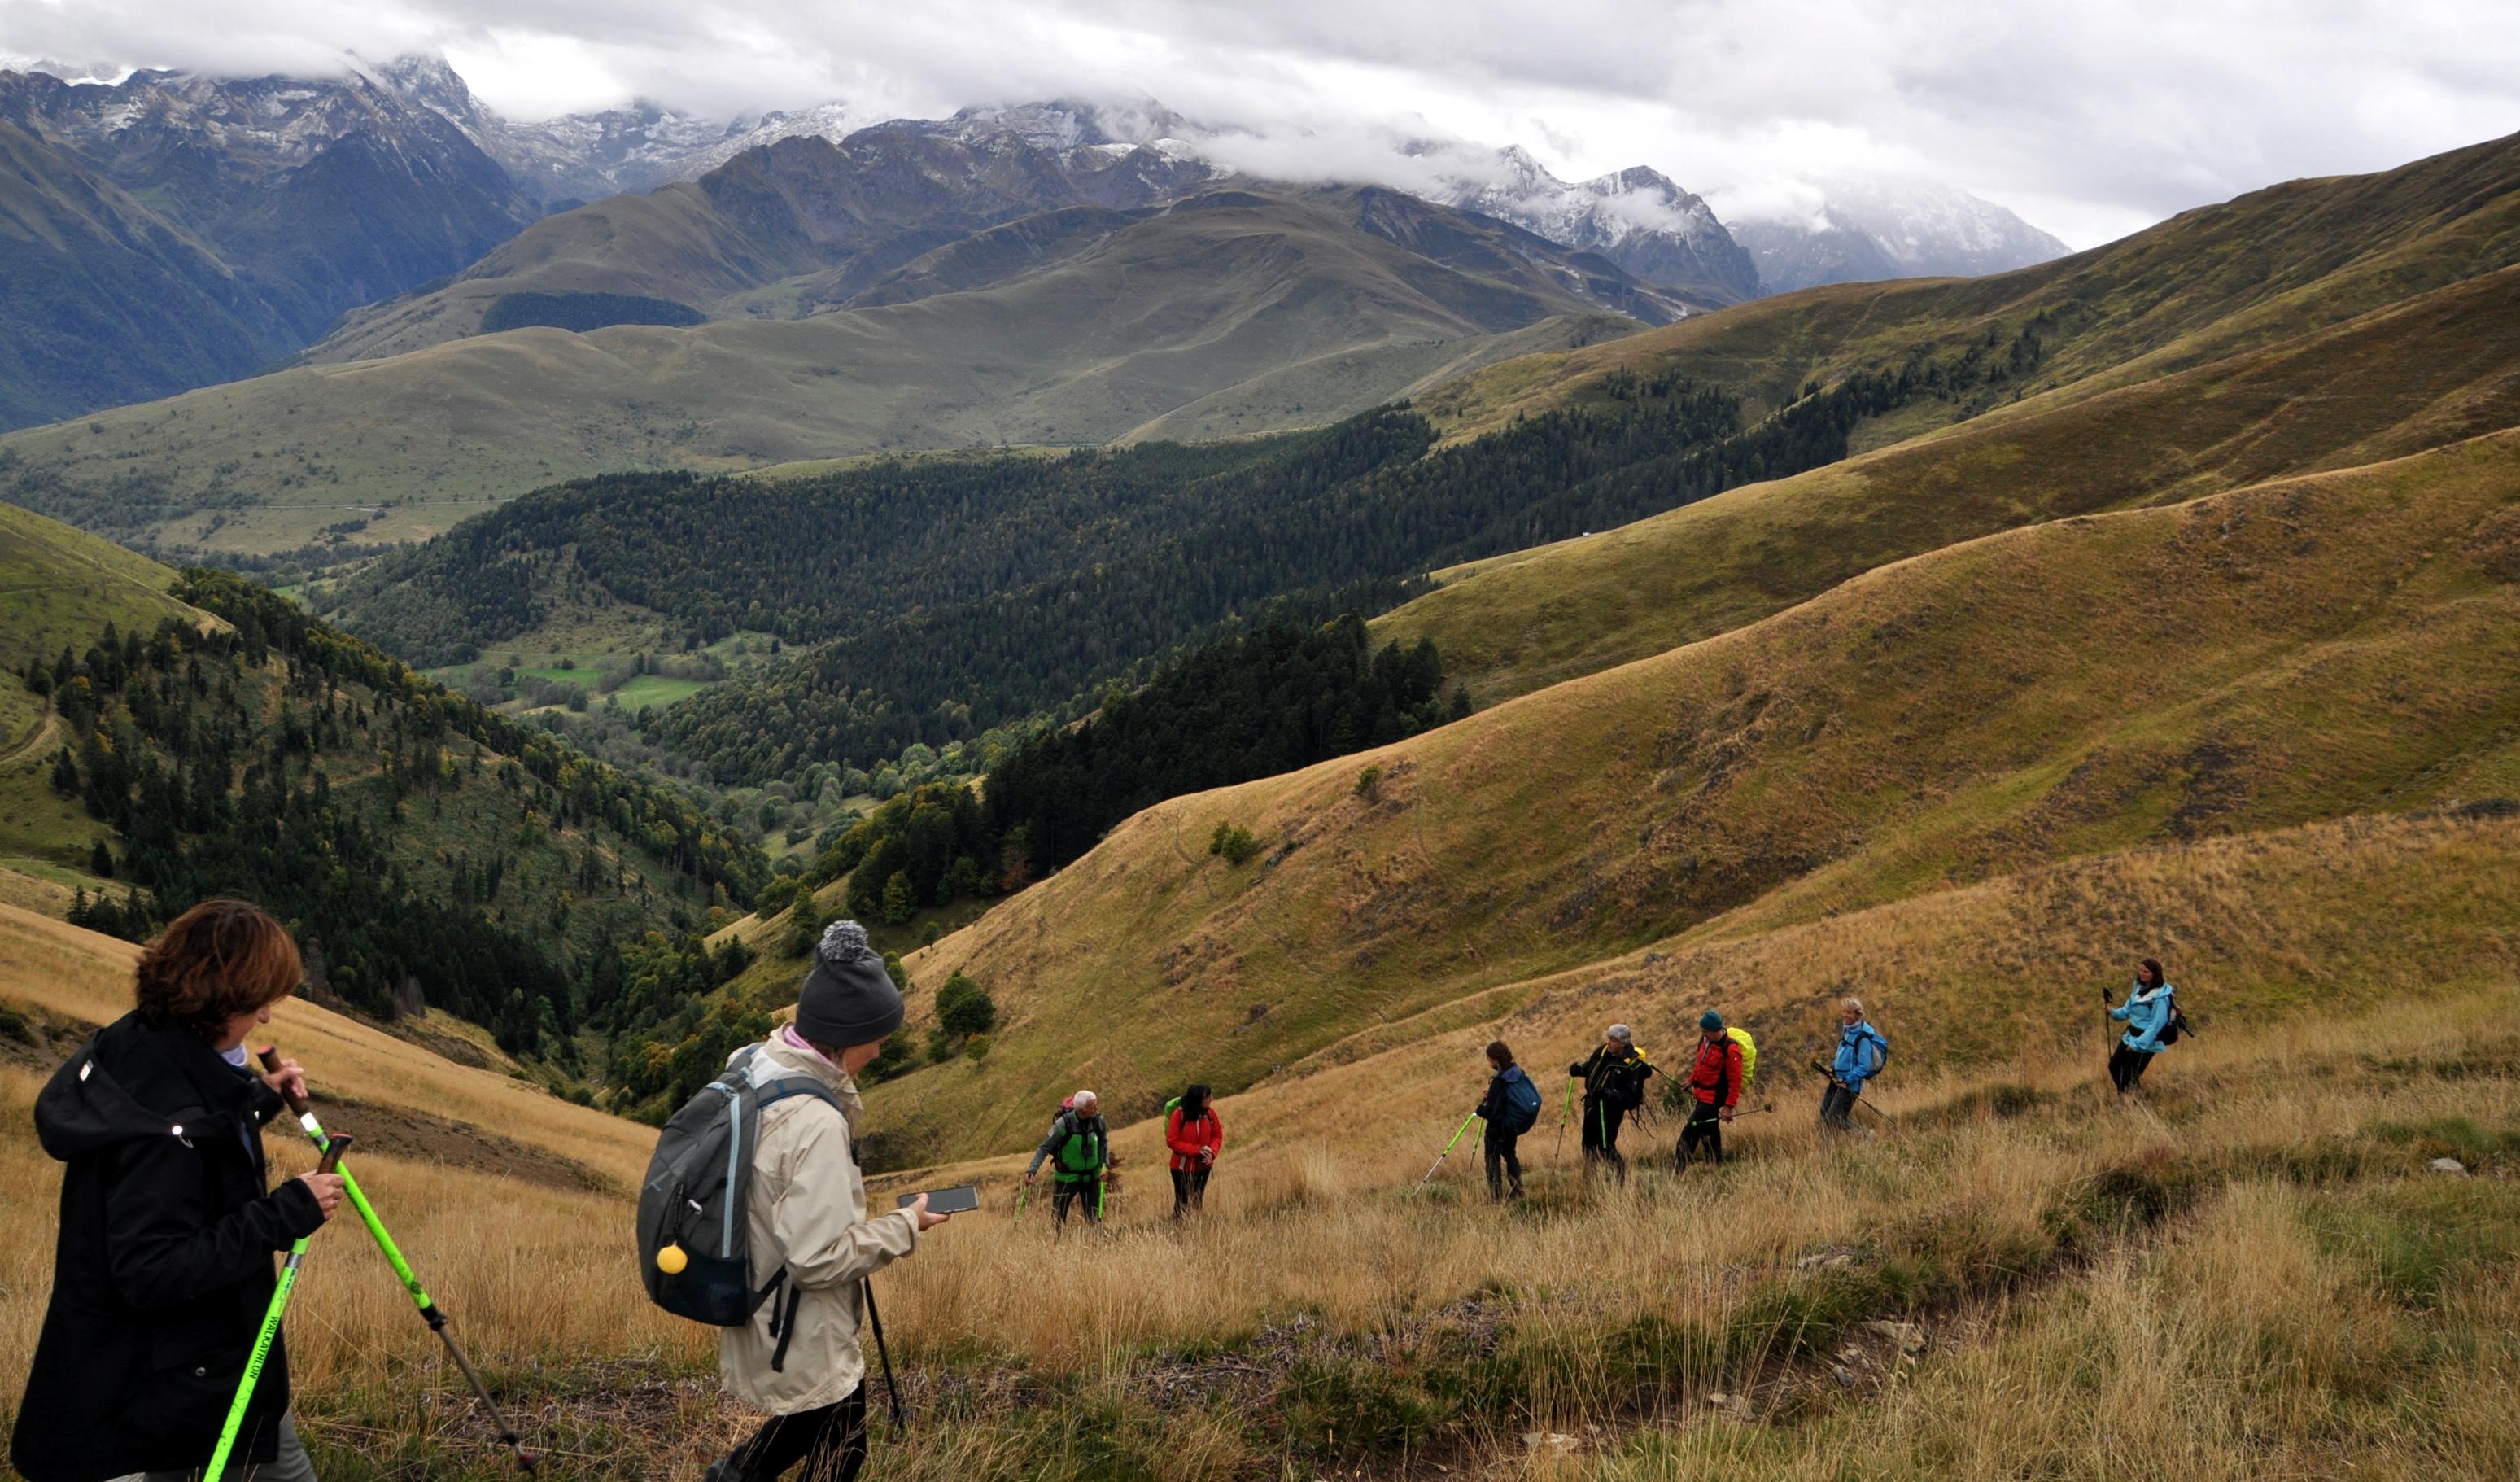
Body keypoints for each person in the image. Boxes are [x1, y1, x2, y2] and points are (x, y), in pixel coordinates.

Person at [11, 898, 346, 1482]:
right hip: (173, 1374)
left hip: (200, 1360)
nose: (266, 1017)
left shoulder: (139, 1044)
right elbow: (152, 1269)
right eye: (258, 999)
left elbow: (195, 1134)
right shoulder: (164, 1125)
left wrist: (256, 1096)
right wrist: (285, 1212)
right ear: (222, 1000)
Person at [703, 920, 952, 1482]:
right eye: (878, 1034)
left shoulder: (755, 1059)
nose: (882, 1046)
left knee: (820, 1423)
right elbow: (818, 1260)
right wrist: (907, 1223)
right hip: (797, 1314)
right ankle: (730, 1477)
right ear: (847, 1034)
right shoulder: (814, 1121)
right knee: (843, 1446)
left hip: (755, 1283)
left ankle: (729, 1476)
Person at [1568, 1024, 1650, 1184]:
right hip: (1592, 1105)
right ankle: (1590, 1178)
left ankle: (1620, 1179)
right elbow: (1592, 1067)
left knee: (1606, 1147)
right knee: (1588, 1144)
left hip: (1611, 1110)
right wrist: (1579, 1070)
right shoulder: (1603, 1051)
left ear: (1623, 1043)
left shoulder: (1631, 1064)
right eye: (1609, 1038)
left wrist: (1609, 1094)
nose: (1609, 1042)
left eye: (1613, 1040)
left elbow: (1629, 1096)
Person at [1024, 1089, 1110, 1227]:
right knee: (1058, 1219)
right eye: (1092, 1106)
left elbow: (1103, 1142)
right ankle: (1056, 1244)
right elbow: (1044, 1148)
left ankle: (1095, 1244)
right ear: (1082, 1110)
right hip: (1067, 1179)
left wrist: (1105, 1165)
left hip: (1092, 1177)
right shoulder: (1062, 1125)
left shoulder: (1098, 1120)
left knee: (1095, 1221)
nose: (1096, 1108)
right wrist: (1032, 1170)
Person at [1675, 1011, 1745, 1168]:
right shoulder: (1704, 1042)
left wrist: (1729, 1107)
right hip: (1702, 1094)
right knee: (1709, 1130)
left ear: (1715, 1030)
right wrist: (1691, 1081)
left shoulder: (1731, 1049)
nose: (1703, 1034)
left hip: (1714, 1097)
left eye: (1705, 1032)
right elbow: (1700, 1066)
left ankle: (1677, 1167)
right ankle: (1716, 1164)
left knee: (1691, 1128)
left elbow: (1736, 1081)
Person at [2106, 959, 2177, 1094]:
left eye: (2146, 971)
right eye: (2140, 970)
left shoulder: (2160, 997)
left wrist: (2138, 1045)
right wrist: (2113, 1013)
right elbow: (2128, 1010)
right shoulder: (2139, 988)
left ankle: (2131, 1103)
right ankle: (2130, 1099)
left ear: (2155, 974)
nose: (2142, 974)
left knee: (2130, 1075)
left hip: (2148, 1042)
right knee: (2114, 1066)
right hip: (2131, 1036)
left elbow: (2156, 1025)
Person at [1474, 1041, 1534, 1200]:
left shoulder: (1500, 1080)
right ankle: (1518, 1191)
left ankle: (1496, 1197)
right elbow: (1506, 1097)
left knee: (1492, 1159)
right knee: (1510, 1155)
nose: (1489, 1062)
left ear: (1495, 1059)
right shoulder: (1517, 1072)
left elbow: (1491, 1112)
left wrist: (1479, 1110)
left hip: (1497, 1128)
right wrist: (1492, 1095)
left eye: (1489, 1058)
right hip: (1511, 1124)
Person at [1820, 998, 1889, 1132]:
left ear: (1858, 1015)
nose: (1845, 1015)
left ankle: (1866, 1135)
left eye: (1849, 1013)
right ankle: (1827, 1148)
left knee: (1835, 1118)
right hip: (1836, 1079)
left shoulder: (1863, 1038)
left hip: (1850, 1085)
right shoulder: (1847, 1030)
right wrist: (1833, 1067)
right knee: (1824, 1112)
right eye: (1844, 1012)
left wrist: (1847, 1080)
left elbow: (1864, 1066)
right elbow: (1842, 1052)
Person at [1164, 1084, 1222, 1219]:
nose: (1212, 1099)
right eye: (1208, 1098)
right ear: (1197, 1100)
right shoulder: (1178, 1115)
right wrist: (1198, 1150)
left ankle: (1196, 1228)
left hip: (1204, 1166)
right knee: (1182, 1201)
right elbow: (1172, 1141)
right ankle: (1178, 1229)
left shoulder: (1210, 1114)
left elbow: (1217, 1135)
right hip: (1181, 1167)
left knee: (1198, 1198)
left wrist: (1212, 1153)